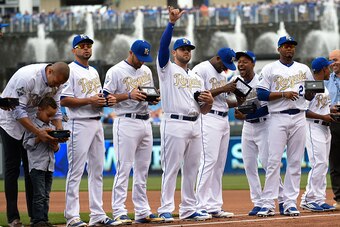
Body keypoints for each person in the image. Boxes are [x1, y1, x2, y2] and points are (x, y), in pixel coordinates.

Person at [156, 7, 214, 222]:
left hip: (195, 123)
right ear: (175, 52)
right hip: (174, 122)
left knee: (192, 169)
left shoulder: (197, 77)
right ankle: (165, 208)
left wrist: (208, 102)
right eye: (182, 49)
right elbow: (162, 46)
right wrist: (171, 24)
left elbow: (204, 110)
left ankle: (189, 208)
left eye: (189, 49)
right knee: (170, 169)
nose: (186, 51)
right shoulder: (166, 69)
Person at [0, 61, 69, 227]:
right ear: (50, 71)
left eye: (61, 84)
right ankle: (13, 218)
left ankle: (36, 218)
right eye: (56, 81)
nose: (57, 85)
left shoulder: (57, 80)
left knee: (33, 169)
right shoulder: (28, 78)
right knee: (12, 169)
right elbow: (17, 111)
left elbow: (57, 108)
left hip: (32, 119)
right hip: (10, 120)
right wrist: (38, 133)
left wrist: (58, 131)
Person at [61, 34, 120, 227]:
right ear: (74, 50)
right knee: (76, 171)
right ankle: (72, 217)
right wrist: (90, 101)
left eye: (89, 46)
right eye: (82, 46)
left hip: (96, 122)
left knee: (97, 171)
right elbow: (64, 100)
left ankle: (97, 214)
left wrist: (107, 100)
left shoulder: (94, 71)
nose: (86, 49)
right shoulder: (70, 70)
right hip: (78, 122)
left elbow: (97, 97)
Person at [103, 40, 164, 224]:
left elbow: (147, 94)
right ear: (131, 52)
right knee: (124, 168)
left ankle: (142, 211)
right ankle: (119, 210)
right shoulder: (115, 71)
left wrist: (152, 99)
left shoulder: (146, 70)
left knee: (142, 171)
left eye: (146, 57)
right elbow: (105, 98)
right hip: (126, 120)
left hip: (145, 120)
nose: (143, 61)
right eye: (140, 57)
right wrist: (128, 95)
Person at [256, 36, 314, 217]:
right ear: (279, 48)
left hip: (299, 116)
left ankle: (290, 202)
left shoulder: (303, 69)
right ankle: (267, 203)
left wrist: (313, 91)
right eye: (286, 46)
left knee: (295, 162)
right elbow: (261, 94)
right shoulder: (270, 68)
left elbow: (311, 94)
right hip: (277, 117)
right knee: (274, 161)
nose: (290, 49)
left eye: (292, 47)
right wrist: (283, 94)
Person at [233, 51, 284, 216]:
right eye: (239, 61)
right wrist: (239, 110)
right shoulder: (237, 82)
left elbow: (266, 108)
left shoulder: (260, 81)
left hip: (264, 125)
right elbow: (239, 103)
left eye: (245, 61)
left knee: (268, 164)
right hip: (247, 127)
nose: (241, 64)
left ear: (253, 63)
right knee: (249, 165)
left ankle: (282, 199)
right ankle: (258, 201)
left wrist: (246, 115)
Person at [192, 47, 239, 218]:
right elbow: (197, 95)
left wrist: (237, 99)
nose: (226, 68)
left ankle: (214, 205)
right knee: (208, 162)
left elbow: (222, 100)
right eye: (225, 64)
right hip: (208, 117)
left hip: (223, 117)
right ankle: (199, 204)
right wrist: (224, 87)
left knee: (219, 165)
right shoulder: (201, 69)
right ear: (218, 58)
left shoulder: (222, 73)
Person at [300, 57, 336, 212]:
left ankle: (319, 199)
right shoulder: (311, 86)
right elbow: (304, 111)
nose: (330, 70)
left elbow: (321, 107)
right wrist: (323, 116)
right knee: (318, 163)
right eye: (328, 68)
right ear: (322, 69)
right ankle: (308, 198)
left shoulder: (324, 87)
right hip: (313, 127)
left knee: (323, 164)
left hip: (325, 128)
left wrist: (333, 111)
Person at [22, 97, 62, 227]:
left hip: (49, 166)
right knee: (39, 195)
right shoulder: (31, 125)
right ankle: (37, 220)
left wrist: (55, 142)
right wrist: (40, 136)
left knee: (46, 195)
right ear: (39, 109)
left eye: (53, 116)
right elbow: (26, 145)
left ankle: (44, 219)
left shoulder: (51, 126)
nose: (50, 118)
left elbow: (56, 149)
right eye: (48, 114)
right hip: (37, 166)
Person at [326, 49, 340, 210]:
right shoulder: (326, 81)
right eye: (330, 60)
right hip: (333, 121)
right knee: (335, 163)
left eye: (335, 60)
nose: (332, 63)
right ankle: (339, 198)